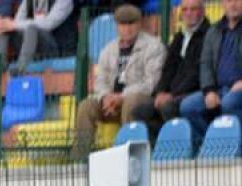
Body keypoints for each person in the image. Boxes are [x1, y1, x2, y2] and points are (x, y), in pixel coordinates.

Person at [73, 4, 165, 158]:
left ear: (140, 24)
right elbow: (100, 80)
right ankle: (80, 158)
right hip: (111, 102)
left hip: (140, 99)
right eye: (123, 24)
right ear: (117, 26)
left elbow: (151, 83)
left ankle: (128, 156)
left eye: (131, 24)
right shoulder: (108, 50)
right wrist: (105, 98)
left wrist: (121, 97)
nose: (127, 29)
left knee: (130, 103)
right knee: (86, 106)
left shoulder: (153, 46)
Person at [130, 0, 208, 139]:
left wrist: (173, 95)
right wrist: (160, 92)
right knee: (139, 111)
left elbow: (197, 73)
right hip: (172, 93)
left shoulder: (208, 35)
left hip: (194, 91)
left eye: (193, 9)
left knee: (168, 107)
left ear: (203, 11)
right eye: (185, 10)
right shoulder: (179, 37)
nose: (188, 13)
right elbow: (168, 69)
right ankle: (156, 149)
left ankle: (180, 146)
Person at [179, 0, 242, 142]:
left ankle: (236, 147)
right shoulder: (214, 31)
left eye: (237, 0)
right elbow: (205, 64)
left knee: (229, 102)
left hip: (238, 89)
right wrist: (209, 91)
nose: (233, 4)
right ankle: (210, 144)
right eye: (229, 1)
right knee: (188, 106)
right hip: (219, 89)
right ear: (223, 4)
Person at [0, 0, 77, 77]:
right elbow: (17, 22)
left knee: (31, 28)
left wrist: (13, 24)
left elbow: (48, 24)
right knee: (3, 30)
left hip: (57, 49)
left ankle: (22, 69)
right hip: (31, 46)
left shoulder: (65, 1)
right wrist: (3, 25)